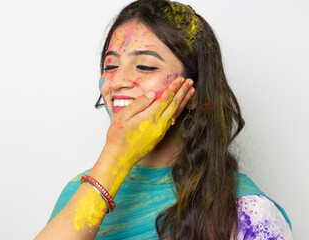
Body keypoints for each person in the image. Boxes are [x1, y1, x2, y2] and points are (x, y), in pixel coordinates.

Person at [35, 0, 294, 239]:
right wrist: (114, 155)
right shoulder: (78, 193)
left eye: (146, 66)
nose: (118, 81)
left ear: (194, 93)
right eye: (110, 66)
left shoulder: (247, 211)